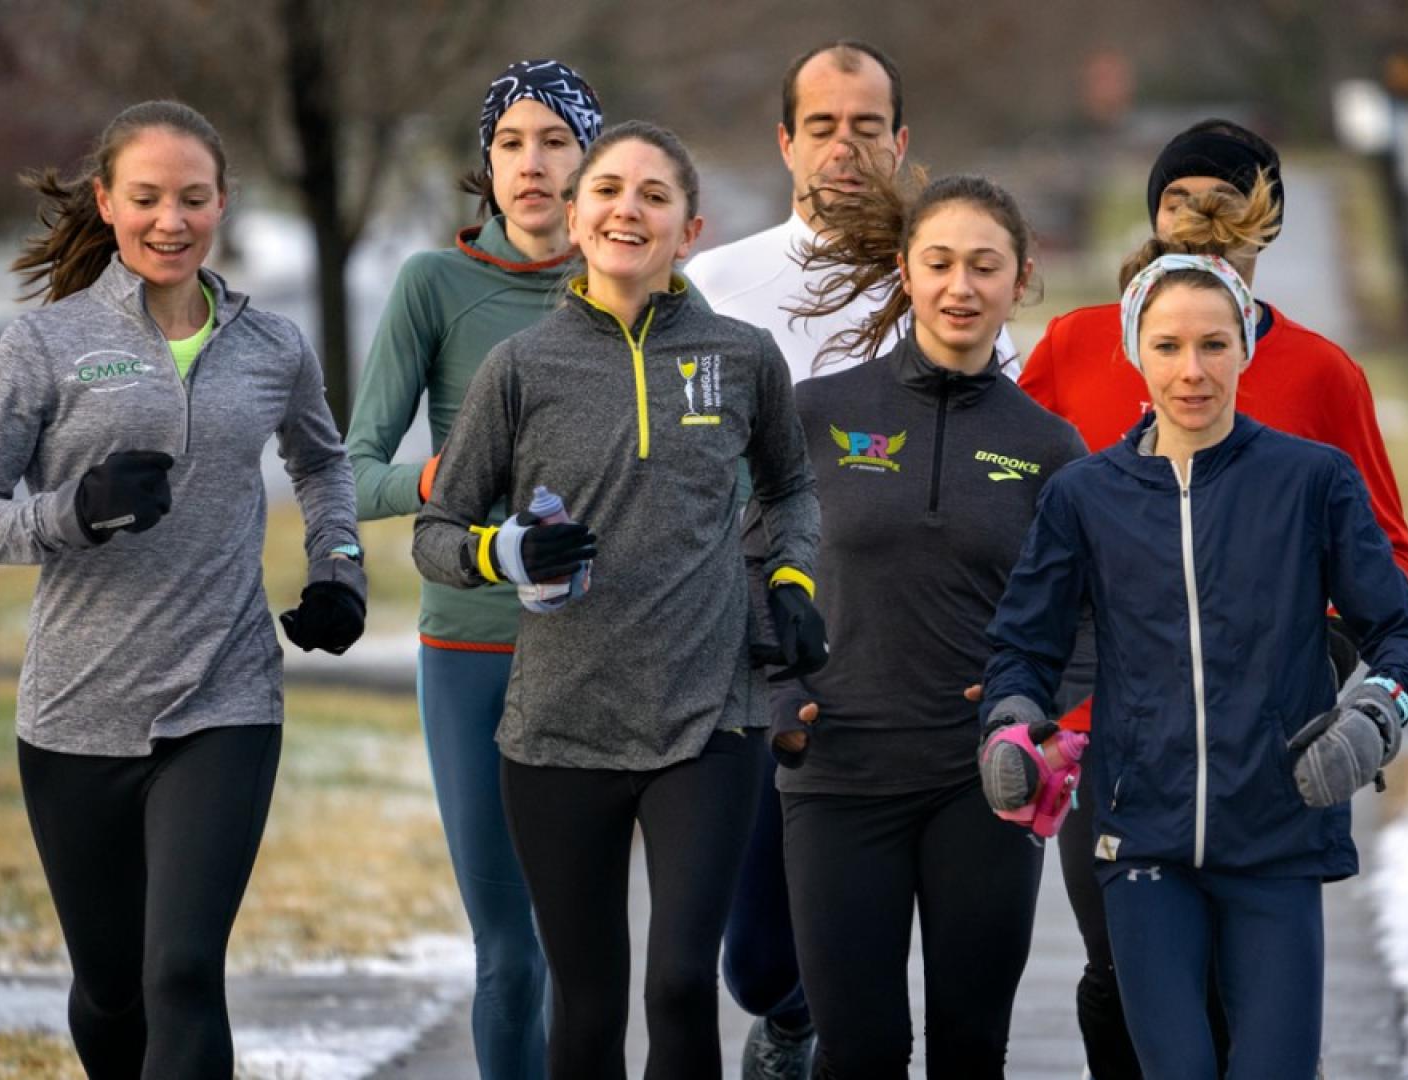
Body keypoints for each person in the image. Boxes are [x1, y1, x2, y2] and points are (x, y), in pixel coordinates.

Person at [979, 195, 1408, 1079]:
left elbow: (1407, 639)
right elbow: (1022, 651)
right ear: (1133, 353)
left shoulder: (1313, 482)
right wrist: (1011, 726)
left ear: (1246, 350)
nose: (1191, 371)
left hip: (1277, 838)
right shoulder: (1085, 496)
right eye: (1167, 347)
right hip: (1142, 844)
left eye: (1213, 345)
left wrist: (1372, 720)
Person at [410, 120, 822, 1080]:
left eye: (652, 195)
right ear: (576, 215)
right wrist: (500, 550)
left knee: (680, 984)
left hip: (708, 720)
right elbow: (438, 535)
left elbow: (791, 489)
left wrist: (792, 579)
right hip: (558, 730)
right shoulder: (520, 368)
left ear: (690, 229)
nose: (626, 208)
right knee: (588, 1004)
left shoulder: (741, 356)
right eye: (607, 190)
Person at [0, 100, 365, 1079]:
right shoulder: (43, 345)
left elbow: (322, 462)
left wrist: (338, 570)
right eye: (146, 198)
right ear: (106, 202)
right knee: (114, 989)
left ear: (222, 203)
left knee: (184, 970)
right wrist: (73, 512)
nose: (170, 220)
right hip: (77, 713)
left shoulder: (272, 345)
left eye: (193, 198)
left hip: (225, 698)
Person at [684, 39, 1015, 1077]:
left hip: (911, 673)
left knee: (898, 967)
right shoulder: (717, 284)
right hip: (753, 656)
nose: (844, 146)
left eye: (866, 126)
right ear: (785, 142)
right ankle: (788, 1019)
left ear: (901, 142)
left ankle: (833, 1033)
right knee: (758, 955)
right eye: (821, 125)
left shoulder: (948, 277)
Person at [763, 170, 1086, 1079]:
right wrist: (781, 691)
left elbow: (1085, 615)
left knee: (972, 1049)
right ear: (905, 272)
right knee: (859, 1051)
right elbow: (752, 568)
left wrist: (1041, 710)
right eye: (940, 262)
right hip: (835, 777)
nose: (961, 286)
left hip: (982, 782)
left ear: (1020, 280)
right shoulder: (818, 414)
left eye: (986, 266)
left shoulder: (1049, 447)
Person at [345, 57, 603, 1080]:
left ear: (592, 159)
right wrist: (452, 473)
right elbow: (352, 474)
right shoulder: (433, 285)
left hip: (609, 651)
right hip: (473, 646)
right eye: (510, 143)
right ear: (485, 164)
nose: (532, 164)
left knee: (596, 953)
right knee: (510, 953)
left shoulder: (637, 283)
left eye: (555, 142)